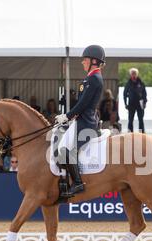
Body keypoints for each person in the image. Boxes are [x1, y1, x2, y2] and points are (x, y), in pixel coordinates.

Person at [54, 45, 105, 197]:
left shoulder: (94, 78)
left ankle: (77, 184)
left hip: (86, 123)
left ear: (94, 61)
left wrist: (67, 116)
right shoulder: (90, 78)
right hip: (81, 120)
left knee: (66, 150)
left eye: (85, 60)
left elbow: (83, 104)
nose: (83, 62)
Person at [123, 67, 147, 132]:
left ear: (137, 74)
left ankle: (141, 133)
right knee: (130, 119)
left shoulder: (141, 83)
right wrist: (125, 103)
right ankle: (130, 133)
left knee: (141, 119)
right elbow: (125, 94)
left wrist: (144, 102)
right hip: (131, 104)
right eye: (132, 73)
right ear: (130, 74)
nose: (134, 75)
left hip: (140, 103)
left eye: (135, 73)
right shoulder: (128, 83)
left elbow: (144, 93)